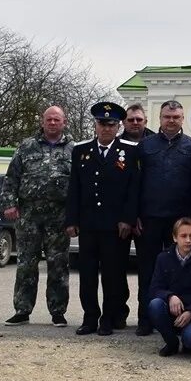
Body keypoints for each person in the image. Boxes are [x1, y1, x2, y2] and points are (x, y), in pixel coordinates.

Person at [66, 102, 139, 336]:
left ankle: (108, 317)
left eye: (110, 124)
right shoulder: (81, 150)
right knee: (87, 274)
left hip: (115, 226)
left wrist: (127, 219)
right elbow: (74, 188)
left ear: (118, 126)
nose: (106, 128)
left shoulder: (129, 150)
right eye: (101, 123)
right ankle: (90, 317)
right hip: (88, 224)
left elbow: (133, 190)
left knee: (112, 274)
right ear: (95, 125)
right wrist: (71, 219)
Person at [2, 105, 73, 326]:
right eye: (49, 119)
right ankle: (22, 310)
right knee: (26, 264)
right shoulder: (26, 146)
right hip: (29, 215)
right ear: (42, 122)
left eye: (56, 120)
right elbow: (11, 177)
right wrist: (9, 204)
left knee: (58, 265)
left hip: (59, 216)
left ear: (64, 122)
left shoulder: (74, 149)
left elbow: (81, 185)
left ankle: (58, 311)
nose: (52, 123)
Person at [135, 100, 191, 336]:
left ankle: (176, 319)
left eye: (176, 117)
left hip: (179, 222)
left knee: (179, 272)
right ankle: (145, 318)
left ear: (182, 119)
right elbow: (134, 184)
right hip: (149, 219)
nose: (171, 121)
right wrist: (135, 215)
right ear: (159, 119)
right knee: (147, 271)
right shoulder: (145, 146)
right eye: (167, 117)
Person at [147, 217, 191, 357]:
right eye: (183, 236)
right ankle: (171, 342)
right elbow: (154, 288)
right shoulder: (163, 258)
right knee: (154, 305)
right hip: (172, 309)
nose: (188, 240)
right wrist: (170, 296)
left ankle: (189, 342)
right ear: (175, 237)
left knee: (190, 340)